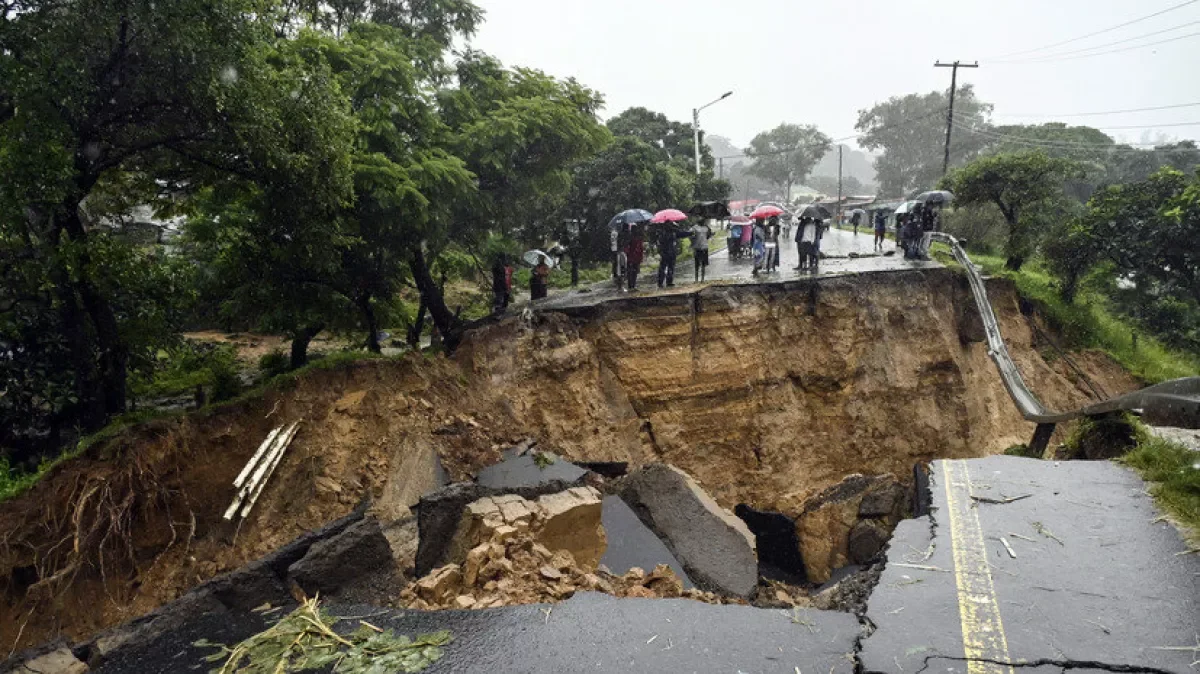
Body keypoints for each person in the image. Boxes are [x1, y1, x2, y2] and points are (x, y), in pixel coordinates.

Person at [624, 224, 645, 291]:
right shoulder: (637, 238)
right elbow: (641, 248)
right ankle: (632, 286)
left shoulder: (629, 237)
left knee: (631, 272)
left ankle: (631, 286)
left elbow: (626, 248)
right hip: (635, 257)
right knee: (634, 272)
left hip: (631, 258)